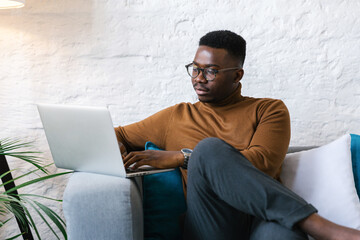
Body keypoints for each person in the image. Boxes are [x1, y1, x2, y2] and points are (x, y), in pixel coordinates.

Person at [115, 30, 360, 239]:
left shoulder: (268, 109)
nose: (199, 78)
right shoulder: (175, 116)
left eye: (210, 71)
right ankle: (321, 227)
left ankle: (306, 223)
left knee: (282, 235)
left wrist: (184, 157)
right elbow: (117, 135)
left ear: (237, 75)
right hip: (210, 223)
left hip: (262, 218)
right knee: (208, 149)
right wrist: (120, 158)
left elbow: (264, 163)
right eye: (195, 69)